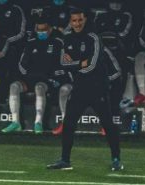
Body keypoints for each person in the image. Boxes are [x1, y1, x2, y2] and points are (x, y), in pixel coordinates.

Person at [47, 9, 122, 172]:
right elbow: (62, 63)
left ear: (85, 19)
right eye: (74, 21)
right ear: (70, 22)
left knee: (108, 124)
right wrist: (80, 64)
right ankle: (65, 160)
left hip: (98, 88)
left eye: (80, 20)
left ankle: (116, 159)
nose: (77, 24)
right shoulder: (66, 39)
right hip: (80, 88)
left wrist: (75, 65)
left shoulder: (93, 38)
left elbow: (92, 65)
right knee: (68, 124)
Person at [5, 16, 68, 134]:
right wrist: (25, 77)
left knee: (39, 87)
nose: (41, 32)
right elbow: (22, 65)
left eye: (44, 30)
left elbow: (61, 65)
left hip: (46, 79)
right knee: (14, 86)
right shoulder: (31, 43)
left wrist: (53, 77)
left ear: (49, 29)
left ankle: (38, 123)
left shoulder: (58, 43)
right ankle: (15, 122)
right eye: (38, 30)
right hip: (29, 78)